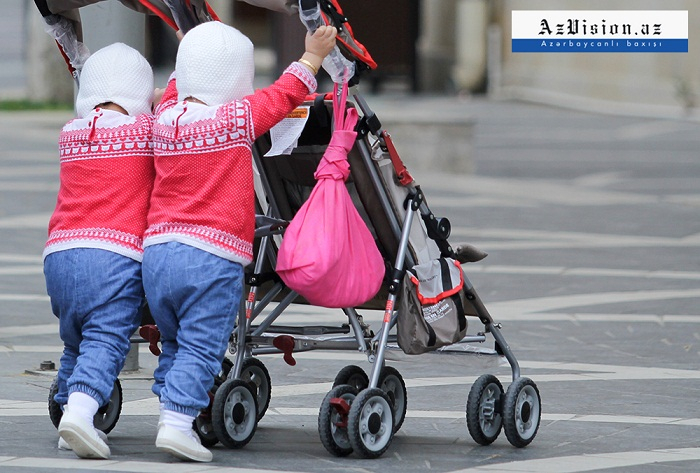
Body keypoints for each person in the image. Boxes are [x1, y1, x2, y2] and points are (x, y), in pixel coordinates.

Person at [142, 20, 337, 462]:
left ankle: (170, 411)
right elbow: (284, 95)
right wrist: (313, 56)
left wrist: (186, 55)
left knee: (174, 342)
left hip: (157, 256)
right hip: (211, 257)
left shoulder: (165, 117)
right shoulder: (233, 119)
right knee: (203, 344)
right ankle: (176, 423)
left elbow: (176, 86)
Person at [43, 42, 155, 460]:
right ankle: (81, 413)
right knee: (107, 340)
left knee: (77, 340)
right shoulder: (145, 133)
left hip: (59, 256)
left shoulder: (71, 133)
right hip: (111, 256)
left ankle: (65, 410)